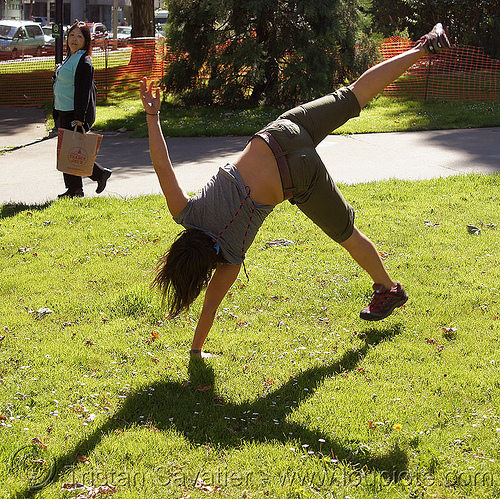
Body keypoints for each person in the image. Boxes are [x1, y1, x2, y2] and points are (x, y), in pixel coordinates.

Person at [140, 24, 451, 358]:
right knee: (354, 93)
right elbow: (162, 165)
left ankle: (390, 289)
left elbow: (211, 307)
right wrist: (153, 116)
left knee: (348, 234)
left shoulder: (228, 258)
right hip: (281, 131)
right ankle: (424, 47)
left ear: (201, 272)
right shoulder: (186, 212)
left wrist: (196, 350)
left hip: (296, 175)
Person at [53, 21, 112, 198]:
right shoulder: (70, 58)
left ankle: (97, 175)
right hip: (63, 110)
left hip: (74, 114)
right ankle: (75, 189)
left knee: (72, 152)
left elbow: (83, 91)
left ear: (86, 41)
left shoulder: (83, 61)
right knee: (68, 151)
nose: (74, 39)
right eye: (72, 35)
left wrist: (80, 117)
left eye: (79, 36)